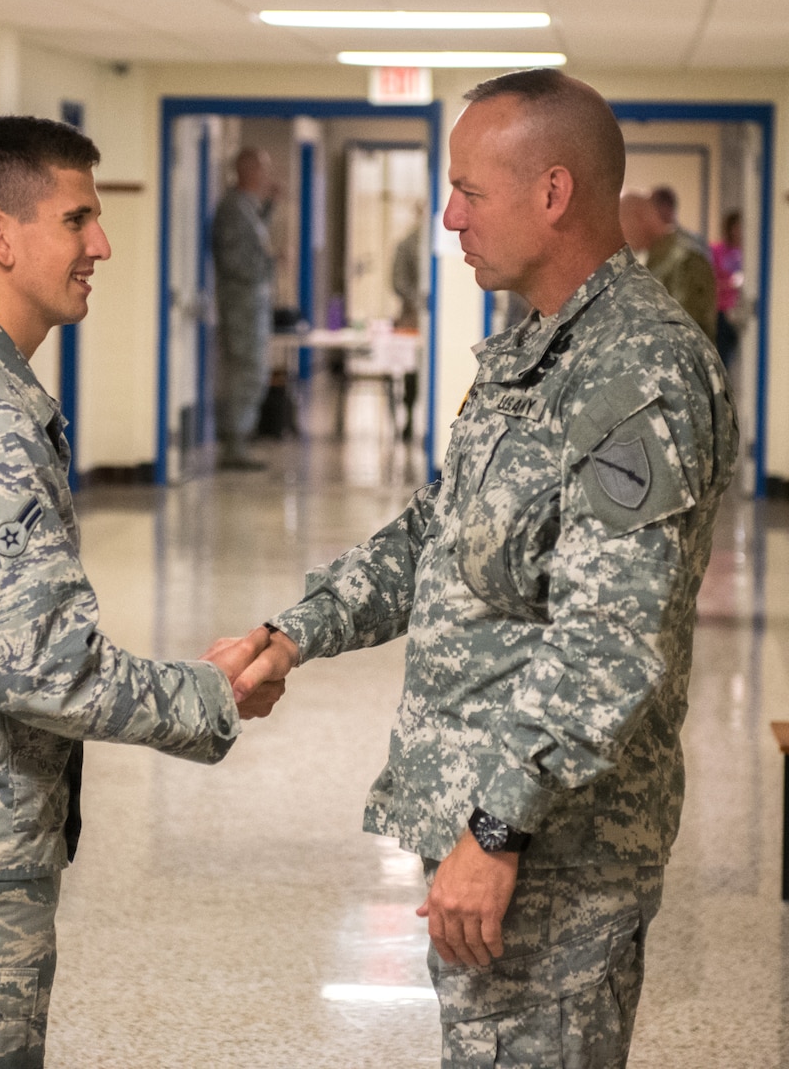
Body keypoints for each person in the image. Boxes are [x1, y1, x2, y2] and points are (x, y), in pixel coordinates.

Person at [229, 69, 737, 1069]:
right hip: (493, 827)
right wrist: (296, 632)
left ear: (551, 195)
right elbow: (441, 530)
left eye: (468, 189)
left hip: (552, 852)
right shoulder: (539, 348)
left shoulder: (634, 372)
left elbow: (608, 641)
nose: (447, 215)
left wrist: (496, 829)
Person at [0, 115, 273, 1069]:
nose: (100, 244)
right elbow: (41, 672)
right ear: (1, 236)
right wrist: (208, 693)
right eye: (78, 220)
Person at [211, 147, 282, 470]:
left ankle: (241, 438)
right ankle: (234, 445)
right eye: (262, 170)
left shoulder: (246, 208)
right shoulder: (232, 209)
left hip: (252, 303)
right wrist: (269, 261)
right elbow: (234, 259)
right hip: (241, 305)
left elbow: (251, 239)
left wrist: (271, 206)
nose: (266, 177)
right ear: (247, 171)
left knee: (253, 371)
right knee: (246, 371)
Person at [621, 191, 718, 341]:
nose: (622, 235)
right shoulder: (656, 258)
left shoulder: (685, 259)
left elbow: (686, 328)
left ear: (639, 217)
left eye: (621, 224)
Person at [391, 215, 424, 442]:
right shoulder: (406, 245)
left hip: (434, 319)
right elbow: (398, 281)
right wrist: (419, 302)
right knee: (410, 371)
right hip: (412, 317)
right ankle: (409, 418)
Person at [710, 209, 745, 372]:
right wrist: (729, 284)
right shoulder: (717, 251)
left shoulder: (748, 253)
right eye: (736, 228)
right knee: (723, 357)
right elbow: (710, 281)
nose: (740, 232)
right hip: (722, 311)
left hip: (741, 311)